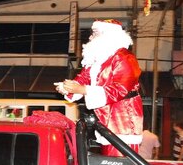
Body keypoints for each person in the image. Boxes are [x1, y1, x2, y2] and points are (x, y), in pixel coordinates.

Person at [55, 19, 143, 157]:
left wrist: (83, 90)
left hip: (123, 118)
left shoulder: (125, 57)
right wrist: (68, 88)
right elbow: (84, 77)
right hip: (106, 115)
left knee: (118, 163)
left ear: (108, 35)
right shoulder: (100, 58)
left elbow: (120, 89)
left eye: (95, 33)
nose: (90, 37)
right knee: (109, 160)